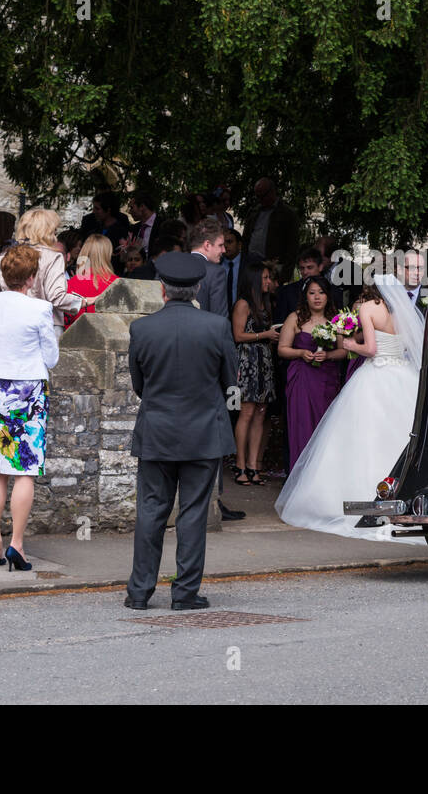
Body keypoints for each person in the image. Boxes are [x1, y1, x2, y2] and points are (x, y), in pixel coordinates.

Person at [274, 272, 425, 543]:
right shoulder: (403, 313)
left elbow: (369, 348)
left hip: (376, 374)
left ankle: (363, 499)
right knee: (401, 434)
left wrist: (348, 343)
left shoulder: (368, 308)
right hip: (403, 375)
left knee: (363, 436)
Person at [125, 252, 239, 611]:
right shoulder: (215, 327)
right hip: (203, 433)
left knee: (151, 511)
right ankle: (185, 592)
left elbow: (139, 384)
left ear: (162, 290)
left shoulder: (142, 329)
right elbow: (230, 381)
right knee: (192, 514)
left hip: (157, 431)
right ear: (198, 288)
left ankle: (140, 591)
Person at [0, 244, 58, 571]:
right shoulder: (38, 309)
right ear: (32, 277)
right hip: (27, 391)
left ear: (4, 274)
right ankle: (16, 545)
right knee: (23, 468)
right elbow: (51, 358)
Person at [277, 275, 346, 467]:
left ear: (328, 296)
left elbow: (343, 351)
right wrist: (300, 352)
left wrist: (328, 356)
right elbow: (282, 348)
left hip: (327, 380)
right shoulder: (295, 317)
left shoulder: (336, 319)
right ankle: (299, 473)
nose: (317, 297)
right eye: (312, 293)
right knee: (302, 425)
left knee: (324, 427)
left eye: (321, 293)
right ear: (305, 296)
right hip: (302, 378)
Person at [0, 207, 95, 335]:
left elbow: (2, 290)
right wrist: (84, 301)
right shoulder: (52, 256)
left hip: (12, 320)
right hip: (46, 323)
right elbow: (56, 297)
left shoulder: (5, 255)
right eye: (54, 230)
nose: (55, 235)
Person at [231, 262, 279, 485]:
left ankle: (253, 466)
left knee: (261, 412)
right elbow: (238, 336)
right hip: (247, 361)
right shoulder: (243, 303)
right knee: (246, 412)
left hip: (264, 362)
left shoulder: (265, 304)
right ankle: (239, 465)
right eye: (265, 277)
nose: (268, 282)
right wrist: (265, 335)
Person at [244, 177, 301, 279]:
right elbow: (246, 238)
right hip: (252, 263)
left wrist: (285, 272)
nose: (260, 199)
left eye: (263, 195)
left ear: (272, 192)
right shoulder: (254, 212)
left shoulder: (287, 214)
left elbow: (293, 246)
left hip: (275, 266)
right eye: (258, 196)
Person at [65, 234, 118, 328]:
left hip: (75, 337)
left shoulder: (70, 283)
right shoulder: (117, 283)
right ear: (108, 254)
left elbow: (65, 319)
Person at [187, 218, 230, 316]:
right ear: (207, 245)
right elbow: (219, 318)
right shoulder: (216, 273)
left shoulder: (172, 266)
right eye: (220, 245)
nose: (224, 250)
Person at [222, 227, 262, 310]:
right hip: (220, 314)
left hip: (244, 313)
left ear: (239, 245)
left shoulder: (250, 264)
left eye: (229, 242)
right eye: (222, 243)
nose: (225, 246)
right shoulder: (216, 264)